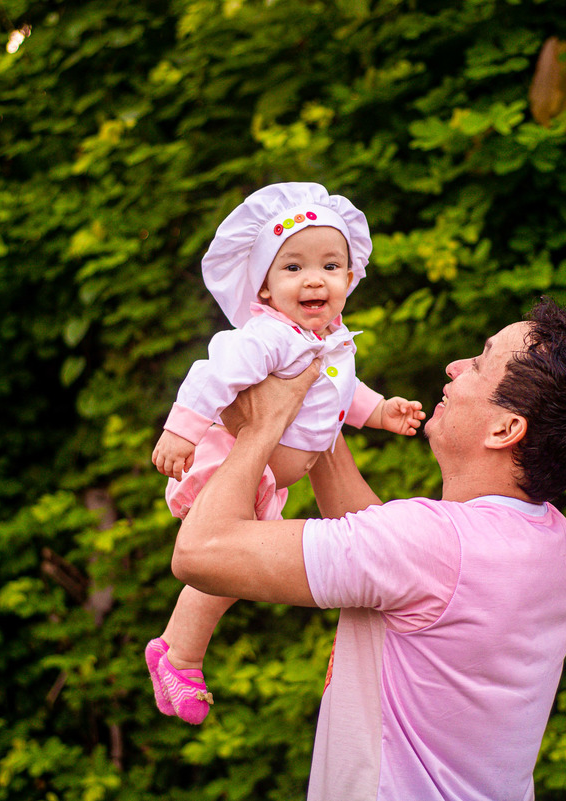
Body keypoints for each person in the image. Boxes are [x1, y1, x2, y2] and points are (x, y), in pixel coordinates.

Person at [170, 297, 566, 801]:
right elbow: (383, 549)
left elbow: (200, 550)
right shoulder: (556, 543)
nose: (454, 367)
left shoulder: (427, 545)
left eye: (479, 362)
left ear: (505, 430)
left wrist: (262, 427)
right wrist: (316, 396)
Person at [146, 182, 425, 725]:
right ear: (266, 289)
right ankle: (179, 655)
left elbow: (343, 391)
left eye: (329, 264)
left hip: (272, 477)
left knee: (233, 573)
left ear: (350, 277)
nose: (313, 278)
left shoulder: (335, 339)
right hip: (237, 466)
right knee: (221, 567)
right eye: (292, 268)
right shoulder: (268, 336)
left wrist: (381, 411)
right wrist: (182, 430)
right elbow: (214, 375)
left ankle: (179, 653)